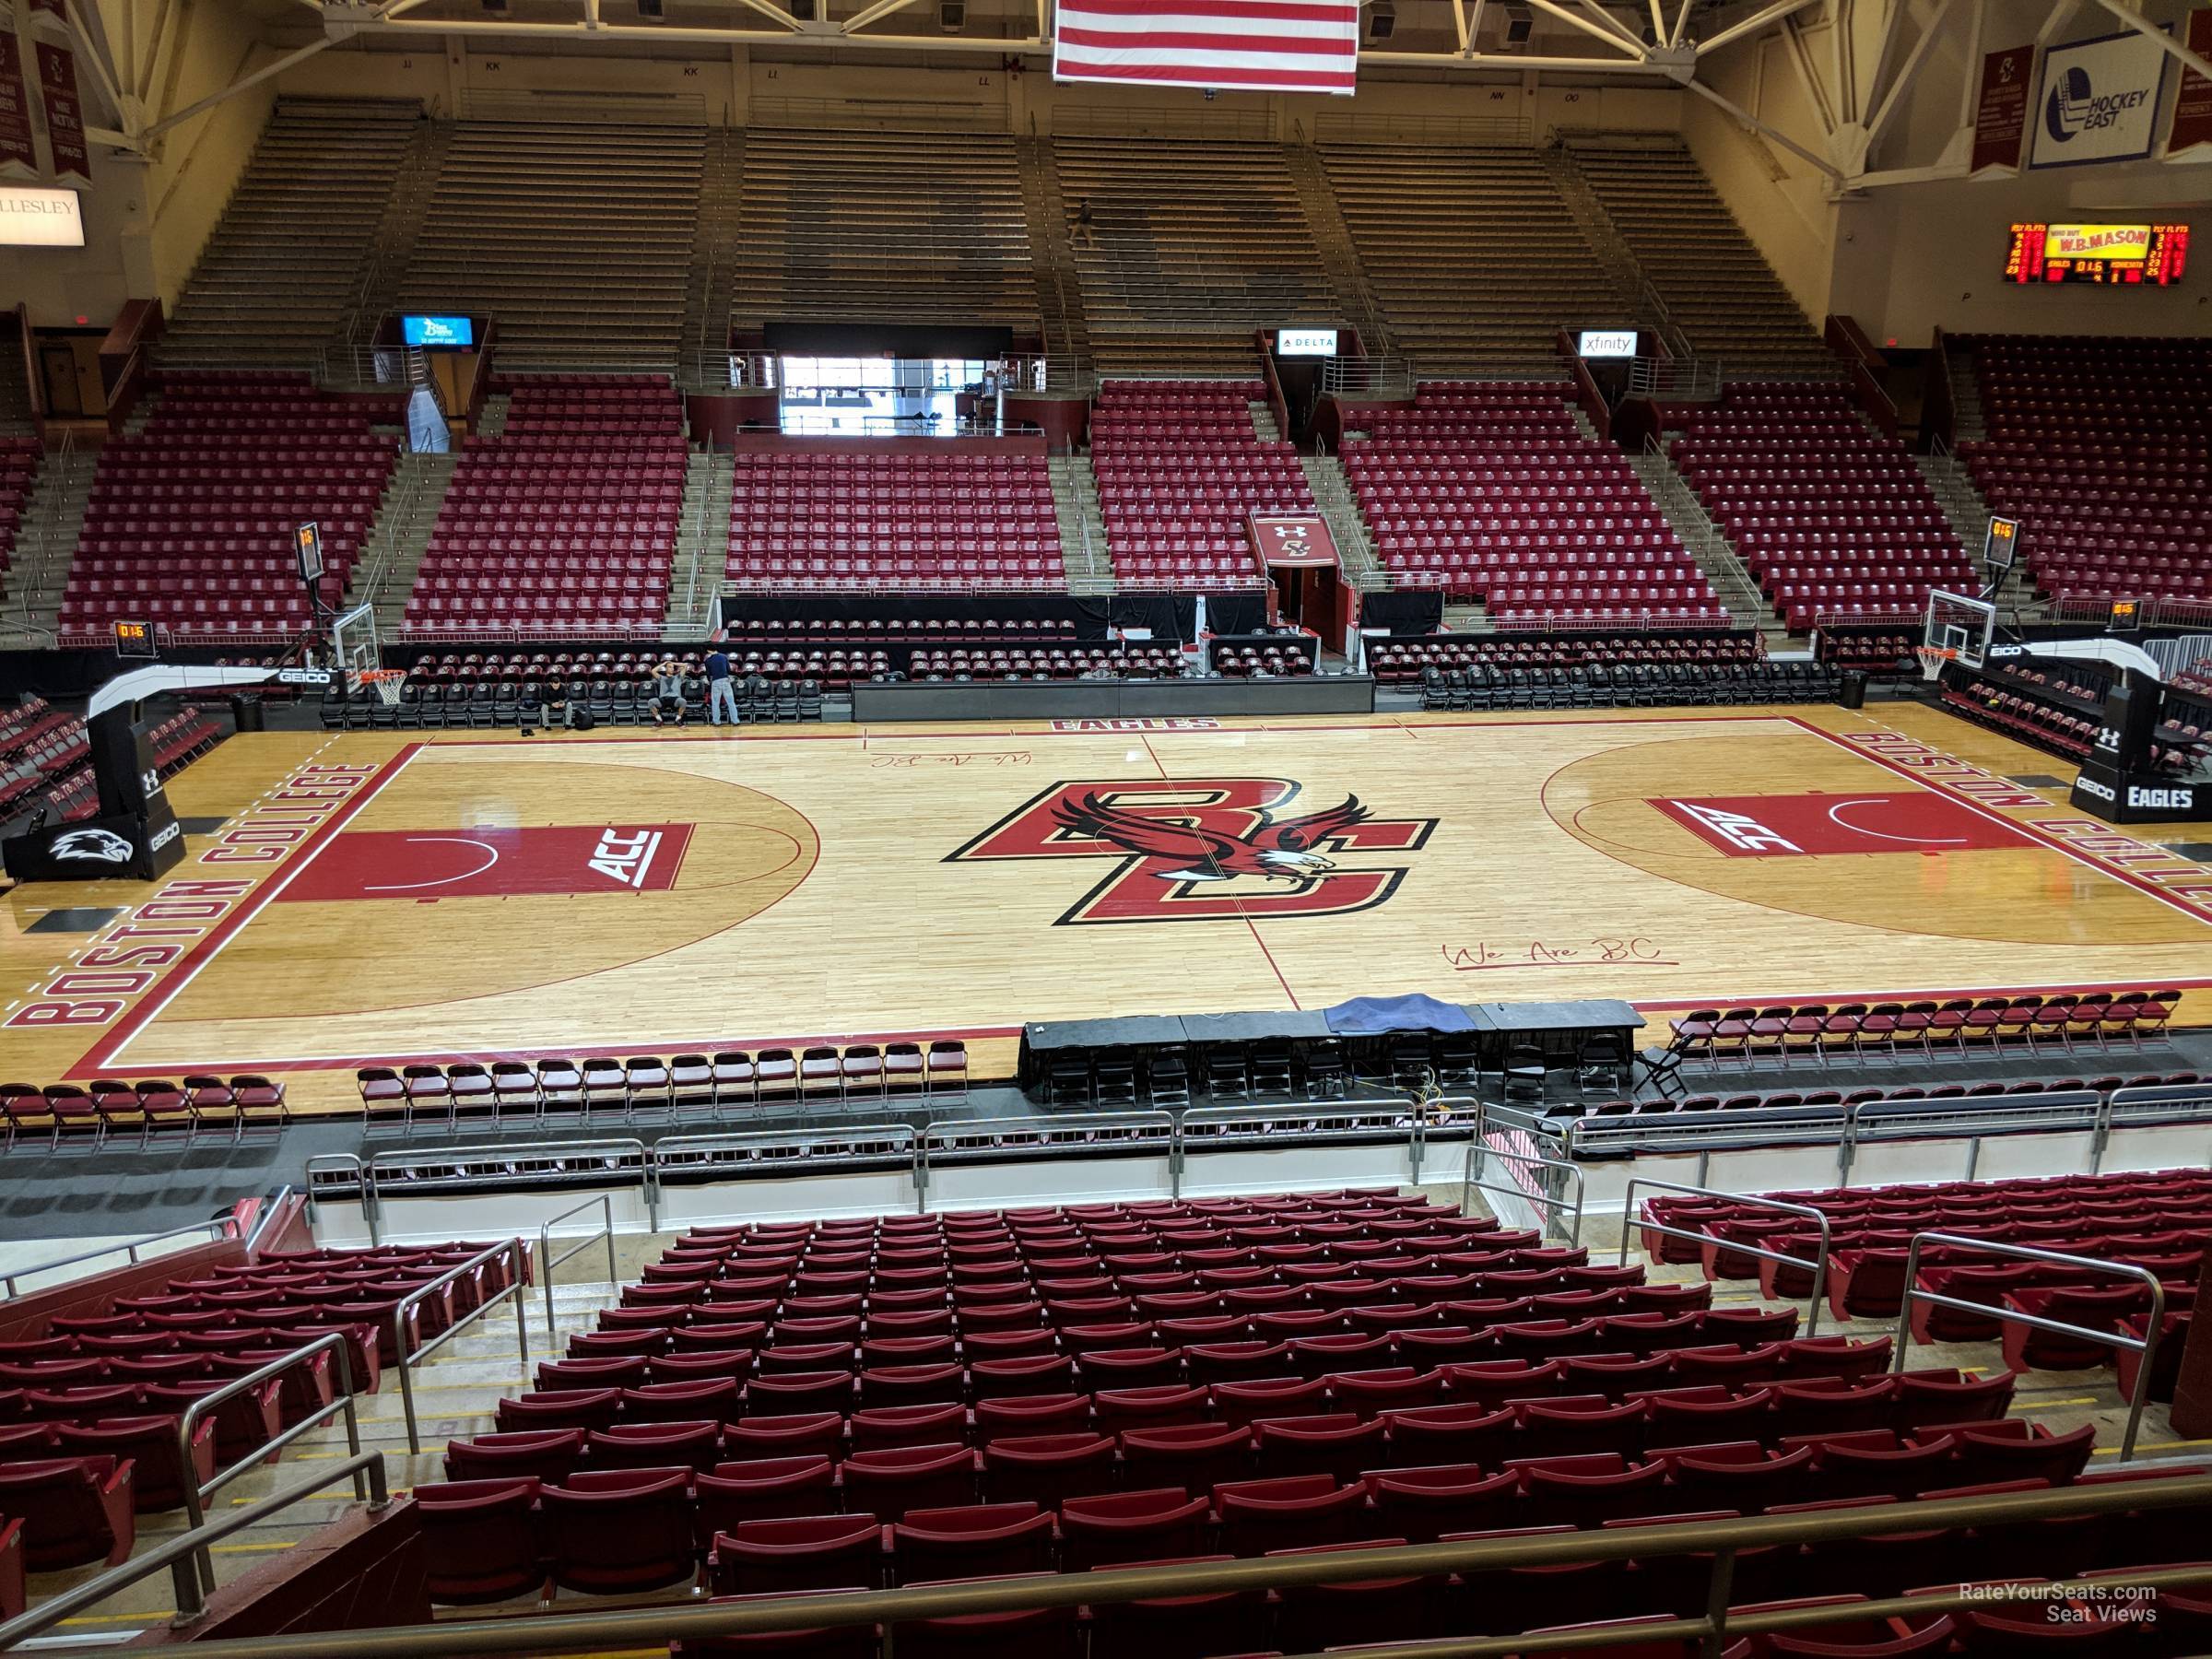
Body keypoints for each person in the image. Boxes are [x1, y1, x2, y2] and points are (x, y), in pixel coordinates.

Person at [704, 641, 737, 727]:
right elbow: (729, 670)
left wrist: (709, 680)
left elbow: (708, 674)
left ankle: (716, 721)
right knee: (730, 702)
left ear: (708, 650)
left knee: (715, 702)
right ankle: (735, 720)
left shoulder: (708, 660)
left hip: (715, 681)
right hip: (725, 680)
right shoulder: (724, 657)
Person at [650, 660, 687, 726]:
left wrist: (673, 663)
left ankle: (677, 719)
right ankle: (659, 720)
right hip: (663, 700)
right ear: (666, 669)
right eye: (670, 667)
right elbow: (653, 671)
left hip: (675, 700)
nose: (672, 669)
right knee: (651, 702)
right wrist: (664, 664)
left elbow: (685, 665)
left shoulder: (678, 677)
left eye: (673, 667)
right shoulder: (661, 678)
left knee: (683, 701)